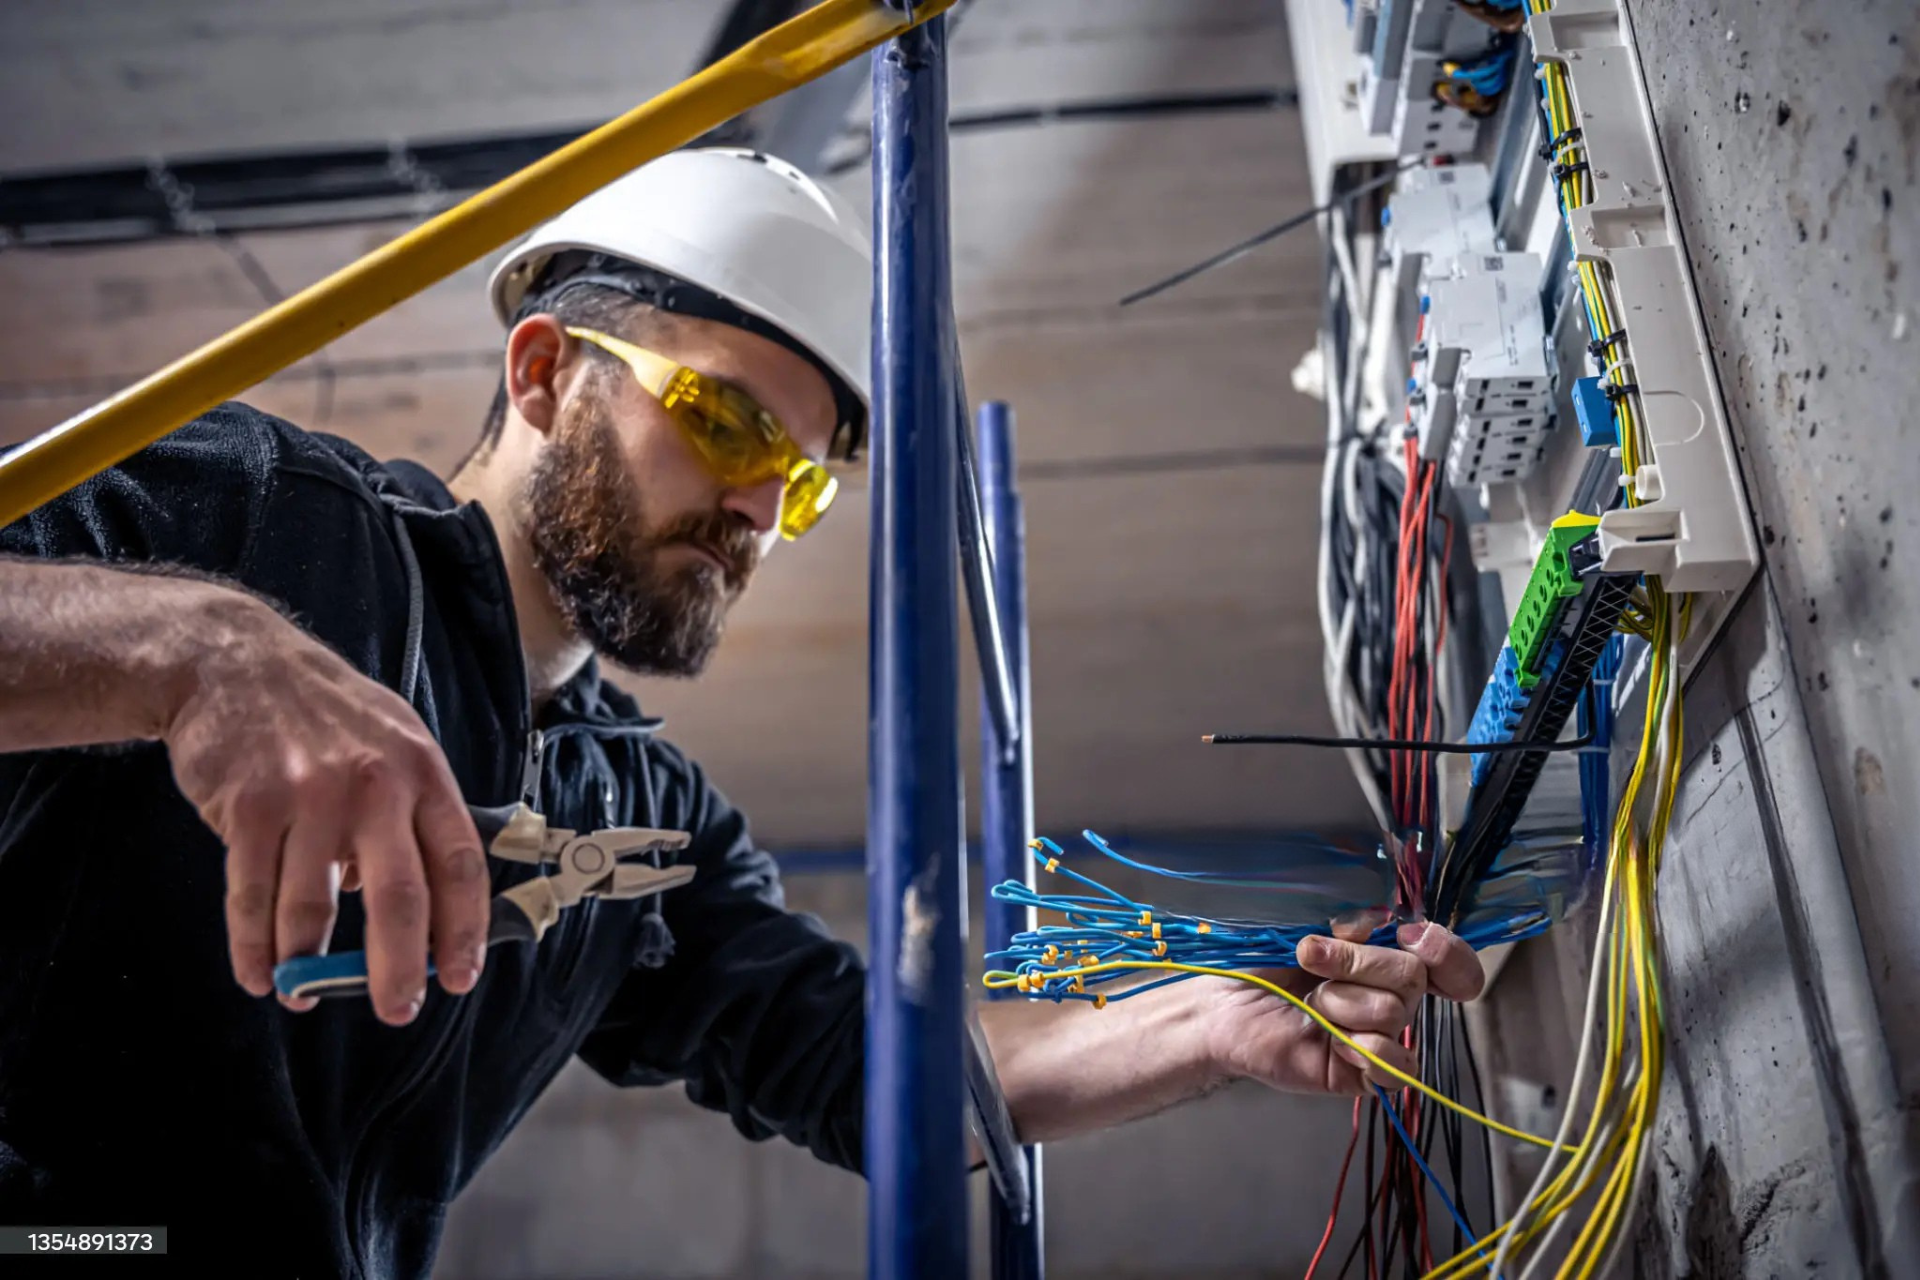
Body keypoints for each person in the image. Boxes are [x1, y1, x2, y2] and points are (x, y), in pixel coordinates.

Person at [0, 148, 1484, 1277]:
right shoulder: (266, 522)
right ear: (543, 375)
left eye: (806, 480)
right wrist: (190, 646)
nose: (760, 513)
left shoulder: (643, 821)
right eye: (725, 422)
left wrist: (1208, 1029)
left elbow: (863, 1067)